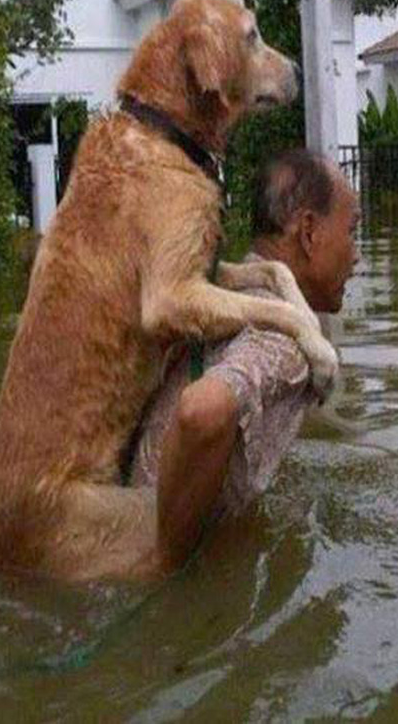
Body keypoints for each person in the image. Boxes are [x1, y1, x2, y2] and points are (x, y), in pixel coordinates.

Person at [128, 149, 360, 570]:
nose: (357, 254)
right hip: (128, 554)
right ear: (308, 232)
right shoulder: (286, 342)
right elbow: (202, 412)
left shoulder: (217, 298)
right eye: (353, 230)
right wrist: (167, 565)